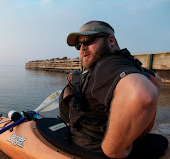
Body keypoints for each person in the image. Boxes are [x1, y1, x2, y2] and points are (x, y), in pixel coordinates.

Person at [59, 20, 168, 158]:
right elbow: (156, 81)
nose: (82, 48)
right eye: (78, 45)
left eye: (88, 40)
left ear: (111, 41)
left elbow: (141, 95)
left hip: (93, 146)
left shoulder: (106, 66)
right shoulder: (126, 61)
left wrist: (112, 150)